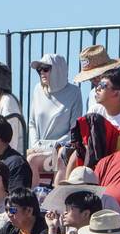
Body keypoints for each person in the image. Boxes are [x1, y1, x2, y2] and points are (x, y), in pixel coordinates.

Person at [27, 54, 81, 182]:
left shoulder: (74, 92)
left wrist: (52, 146)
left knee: (35, 159)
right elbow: (32, 123)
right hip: (38, 148)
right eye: (39, 69)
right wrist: (35, 144)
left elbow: (74, 130)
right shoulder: (37, 90)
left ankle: (56, 198)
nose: (41, 72)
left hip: (62, 150)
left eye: (45, 69)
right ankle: (34, 199)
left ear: (58, 69)